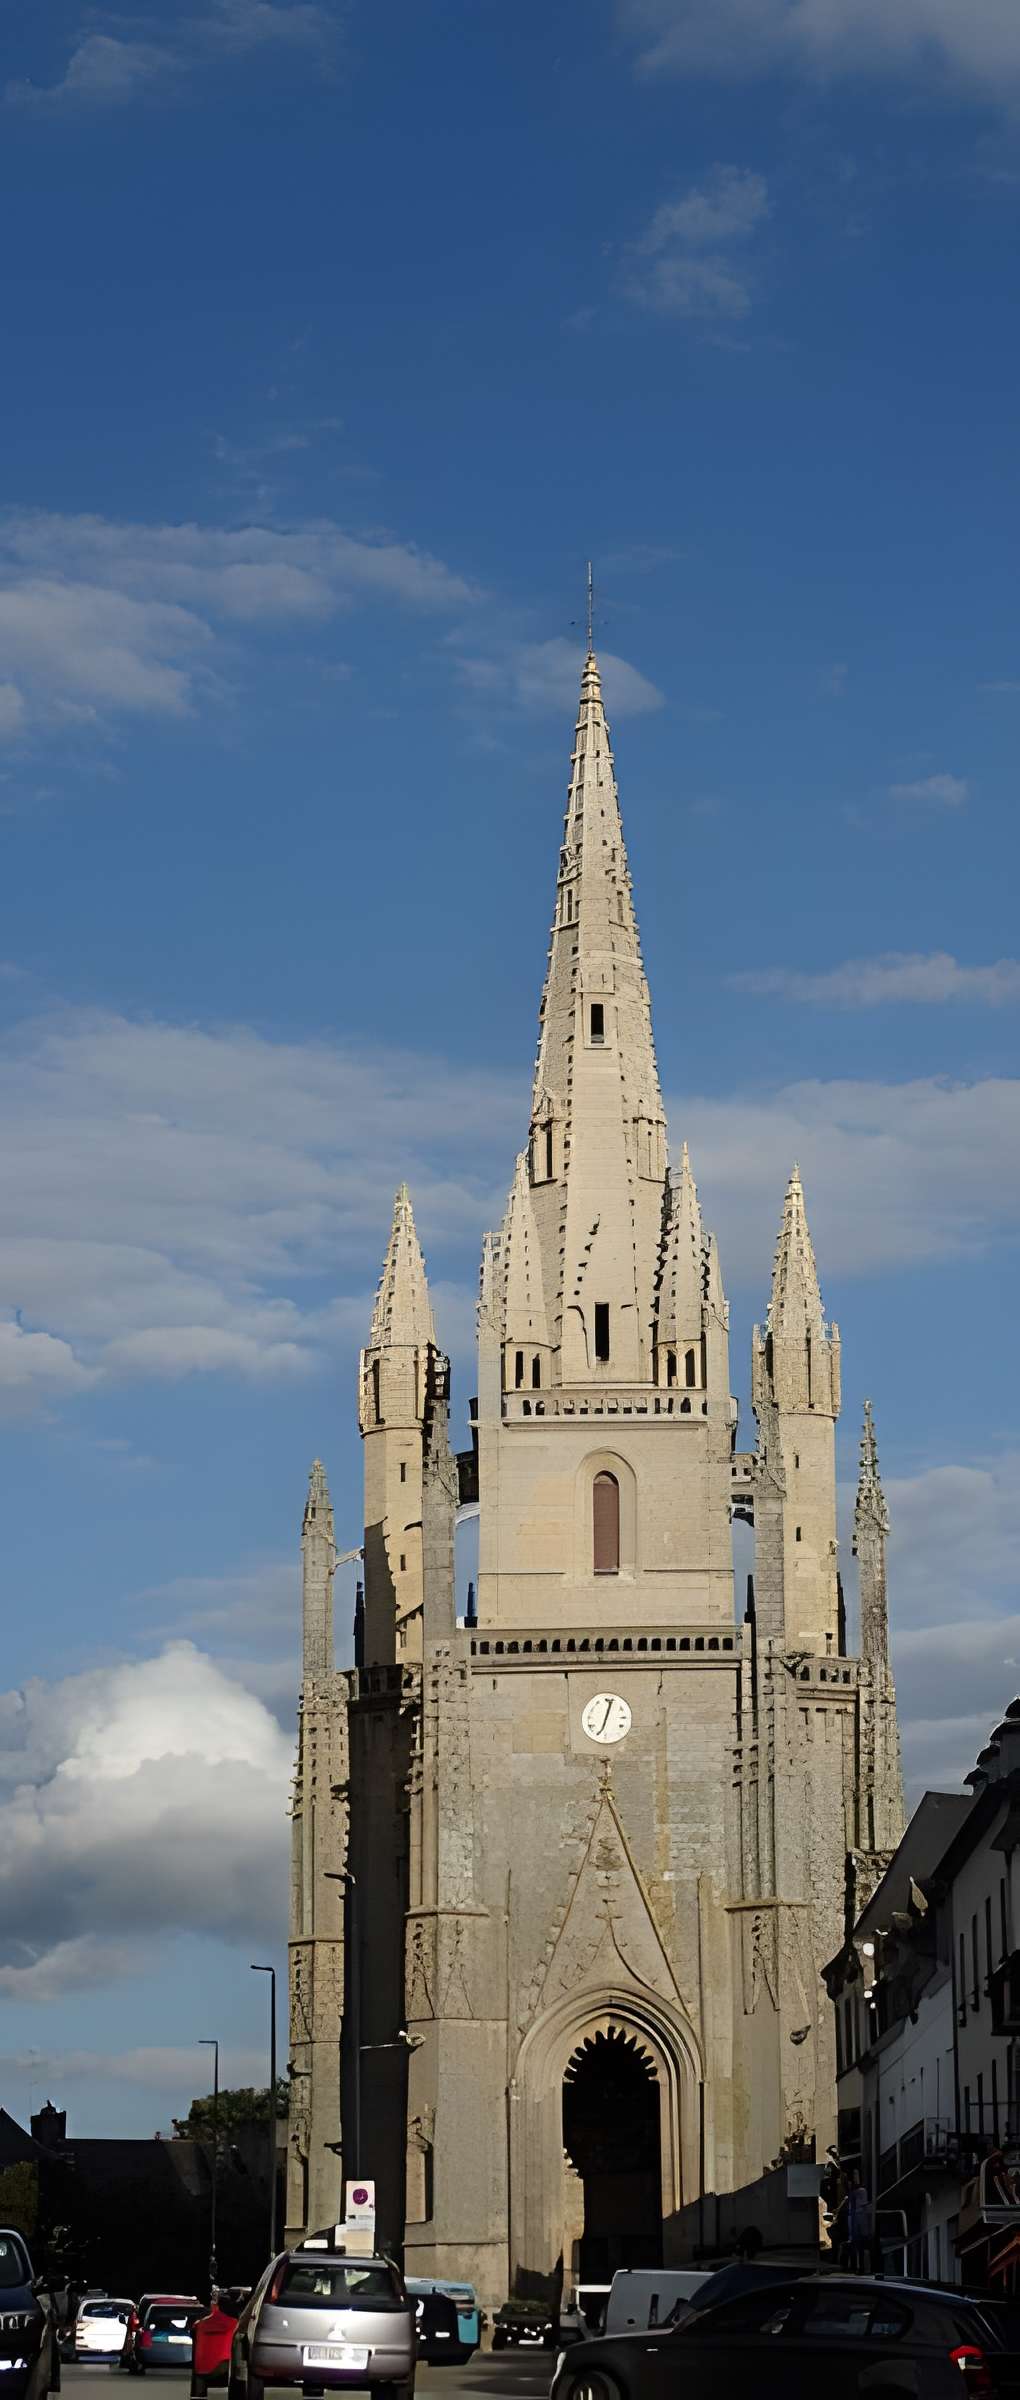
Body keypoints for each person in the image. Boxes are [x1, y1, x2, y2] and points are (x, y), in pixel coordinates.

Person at [847, 2178, 873, 2273]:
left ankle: (861, 2268)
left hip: (860, 2233)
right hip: (858, 2233)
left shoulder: (861, 2209)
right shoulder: (855, 2209)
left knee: (860, 2248)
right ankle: (857, 2267)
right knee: (857, 2248)